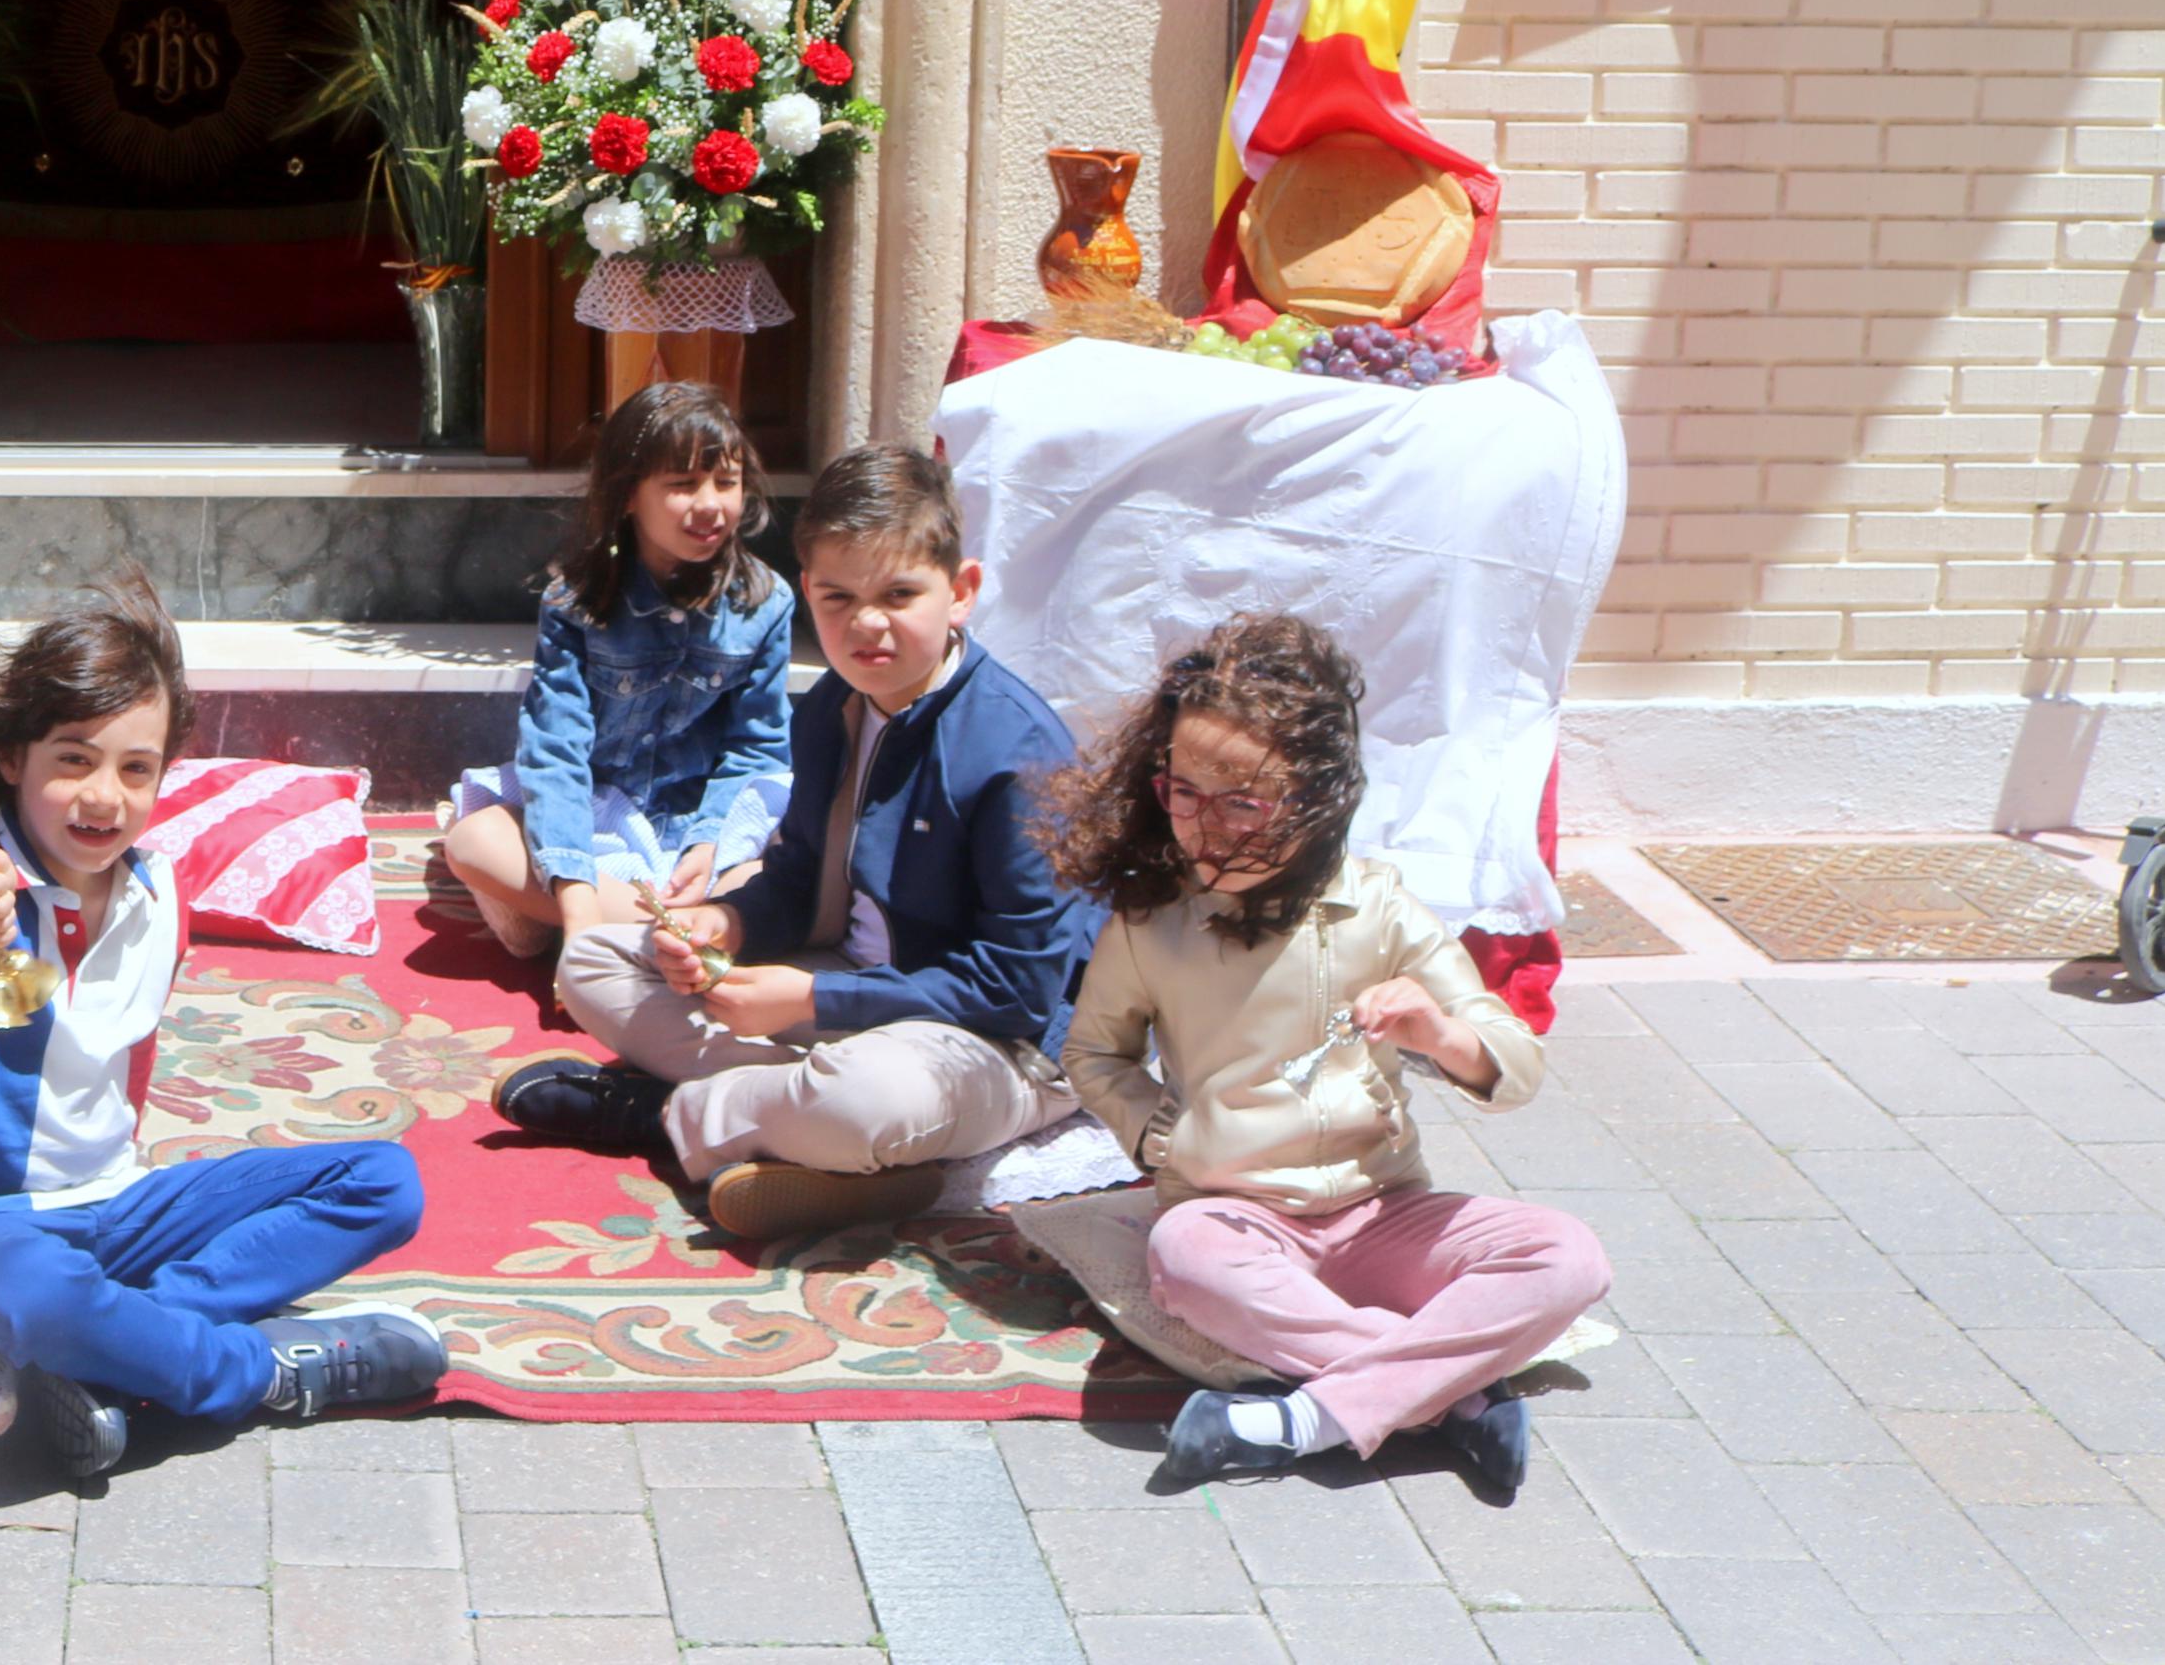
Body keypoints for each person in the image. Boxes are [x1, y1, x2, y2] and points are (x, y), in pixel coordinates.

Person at [0, 584, 445, 1477]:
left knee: (383, 1181)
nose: (103, 795)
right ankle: (253, 1370)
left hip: (120, 1205)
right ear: (11, 755)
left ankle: (131, 1342)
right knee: (37, 1292)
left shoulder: (157, 891)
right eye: (73, 758)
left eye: (135, 768)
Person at [1051, 612, 1604, 1503]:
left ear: (1314, 798)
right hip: (1234, 1215)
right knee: (1182, 1256)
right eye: (1181, 791)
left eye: (1243, 801)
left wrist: (1436, 1034)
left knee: (1566, 1256)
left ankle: (1294, 1420)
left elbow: (1514, 1062)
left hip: (1383, 1209)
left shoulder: (1380, 909)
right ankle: (1452, 1394)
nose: (1204, 827)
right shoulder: (1150, 920)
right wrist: (1161, 1136)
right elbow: (1092, 1052)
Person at [497, 442, 1094, 1244]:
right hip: (851, 991)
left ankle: (672, 1111)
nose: (867, 624)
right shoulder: (831, 708)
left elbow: (1019, 990)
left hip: (999, 1042)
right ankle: (798, 1124)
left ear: (961, 593)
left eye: (899, 594)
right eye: (839, 597)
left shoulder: (1015, 752)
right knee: (596, 958)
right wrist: (726, 925)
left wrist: (811, 1000)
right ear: (807, 590)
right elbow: (796, 874)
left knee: (866, 1099)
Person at [440, 384, 793, 963]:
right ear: (629, 495)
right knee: (473, 840)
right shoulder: (576, 601)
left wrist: (709, 842)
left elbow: (759, 751)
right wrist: (576, 898)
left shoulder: (766, 602)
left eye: (725, 483)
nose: (710, 505)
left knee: (791, 865)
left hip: (697, 833)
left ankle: (619, 921)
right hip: (597, 818)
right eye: (682, 485)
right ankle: (649, 927)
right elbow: (556, 752)